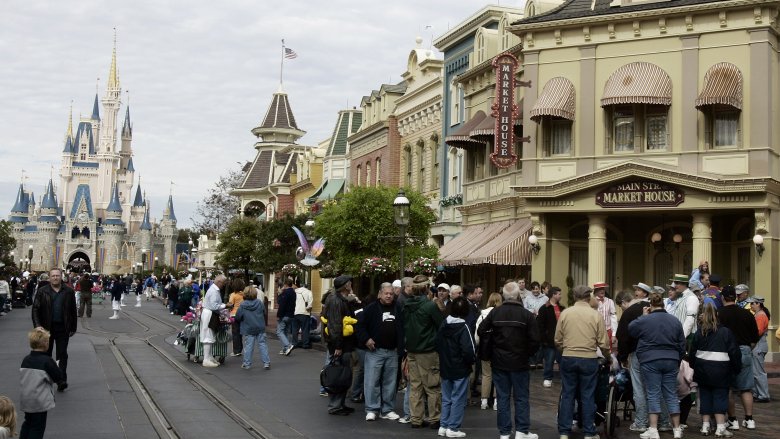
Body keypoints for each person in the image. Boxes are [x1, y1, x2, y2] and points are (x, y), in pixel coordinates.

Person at [478, 281, 540, 439]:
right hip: (520, 361)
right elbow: (535, 340)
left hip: (499, 361)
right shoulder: (527, 315)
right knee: (521, 397)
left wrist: (492, 347)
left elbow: (481, 330)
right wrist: (527, 353)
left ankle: (505, 432)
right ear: (518, 295)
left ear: (504, 295)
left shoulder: (495, 313)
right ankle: (521, 430)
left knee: (503, 397)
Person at [628, 292, 687, 439]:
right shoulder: (674, 321)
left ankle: (653, 430)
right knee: (671, 394)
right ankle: (677, 429)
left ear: (650, 305)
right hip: (671, 360)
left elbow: (631, 329)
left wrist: (643, 316)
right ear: (663, 304)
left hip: (650, 360)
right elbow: (682, 344)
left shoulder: (645, 320)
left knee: (653, 393)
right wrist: (677, 359)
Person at [554, 285, 609, 439]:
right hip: (589, 358)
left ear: (574, 296)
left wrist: (564, 350)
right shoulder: (595, 315)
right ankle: (588, 432)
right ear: (588, 297)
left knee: (567, 394)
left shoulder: (565, 313)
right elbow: (603, 343)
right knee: (588, 395)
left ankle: (564, 431)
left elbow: (557, 339)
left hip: (568, 356)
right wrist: (608, 357)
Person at [690, 303, 741, 437]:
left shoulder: (699, 332)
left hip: (702, 370)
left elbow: (692, 353)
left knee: (705, 397)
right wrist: (736, 368)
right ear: (717, 315)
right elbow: (734, 352)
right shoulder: (725, 332)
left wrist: (694, 366)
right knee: (720, 398)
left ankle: (705, 426)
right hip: (722, 371)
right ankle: (720, 427)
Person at [355, 282, 402, 422]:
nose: (388, 296)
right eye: (386, 293)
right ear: (380, 294)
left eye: (391, 294)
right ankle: (372, 409)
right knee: (372, 381)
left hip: (392, 351)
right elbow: (359, 326)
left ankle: (387, 409)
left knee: (390, 382)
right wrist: (366, 339)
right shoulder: (371, 309)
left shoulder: (398, 308)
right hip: (375, 351)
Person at [403, 274, 444, 429]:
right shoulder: (430, 306)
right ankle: (434, 418)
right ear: (427, 288)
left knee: (415, 386)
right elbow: (441, 325)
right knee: (432, 386)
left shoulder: (406, 304)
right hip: (427, 350)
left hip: (412, 349)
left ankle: (416, 418)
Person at [718, 285, 760, 431]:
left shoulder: (719, 314)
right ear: (735, 297)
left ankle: (733, 419)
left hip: (725, 352)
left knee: (728, 388)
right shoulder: (747, 314)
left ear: (722, 297)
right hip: (745, 350)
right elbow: (755, 338)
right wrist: (747, 349)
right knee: (746, 388)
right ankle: (749, 419)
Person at [615, 282, 654, 433]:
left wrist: (622, 357)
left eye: (621, 306)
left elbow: (623, 337)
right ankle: (663, 421)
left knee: (639, 388)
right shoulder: (654, 308)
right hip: (656, 353)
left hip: (638, 353)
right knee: (655, 388)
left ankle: (641, 422)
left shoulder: (629, 312)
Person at [436, 297, 476, 438]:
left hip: (445, 366)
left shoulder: (444, 324)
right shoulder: (464, 327)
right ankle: (453, 427)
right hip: (460, 367)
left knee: (446, 398)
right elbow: (469, 350)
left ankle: (444, 425)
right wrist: (470, 361)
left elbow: (438, 343)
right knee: (458, 398)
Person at [31, 268, 76, 392]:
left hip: (63, 328)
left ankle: (61, 380)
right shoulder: (42, 291)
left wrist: (73, 327)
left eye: (57, 275)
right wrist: (37, 325)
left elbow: (73, 310)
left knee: (62, 354)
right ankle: (46, 378)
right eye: (53, 276)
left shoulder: (69, 291)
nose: (55, 278)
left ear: (61, 277)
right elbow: (35, 309)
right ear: (49, 277)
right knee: (46, 355)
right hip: (46, 328)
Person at [19, 328, 65, 439]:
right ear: (45, 344)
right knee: (37, 427)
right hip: (39, 400)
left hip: (26, 398)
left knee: (28, 423)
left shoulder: (26, 359)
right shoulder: (47, 361)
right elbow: (58, 376)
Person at [323, 275, 358, 415]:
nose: (351, 285)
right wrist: (338, 345)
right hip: (340, 344)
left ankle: (340, 403)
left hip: (346, 343)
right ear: (345, 286)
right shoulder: (336, 301)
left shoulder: (342, 299)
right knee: (338, 373)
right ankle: (335, 405)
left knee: (344, 373)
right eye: (349, 283)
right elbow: (336, 325)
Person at [476, 292, 502, 409]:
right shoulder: (501, 314)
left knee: (486, 375)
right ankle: (497, 401)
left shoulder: (482, 314)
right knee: (498, 374)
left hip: (485, 348)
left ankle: (484, 401)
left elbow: (477, 334)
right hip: (498, 348)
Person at [235, 286, 270, 370]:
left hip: (248, 328)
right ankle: (266, 363)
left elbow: (238, 316)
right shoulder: (259, 302)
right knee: (262, 344)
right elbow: (264, 312)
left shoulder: (243, 305)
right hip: (260, 327)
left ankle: (247, 363)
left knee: (249, 346)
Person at [537, 286, 564, 388]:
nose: (560, 296)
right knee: (549, 361)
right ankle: (547, 378)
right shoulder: (544, 309)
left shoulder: (562, 308)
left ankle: (564, 378)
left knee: (562, 361)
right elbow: (540, 325)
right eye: (559, 294)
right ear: (553, 295)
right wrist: (544, 339)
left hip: (561, 340)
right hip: (549, 341)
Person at [747, 296, 771, 403]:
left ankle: (763, 395)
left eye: (752, 303)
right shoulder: (758, 315)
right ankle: (758, 393)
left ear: (758, 304)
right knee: (755, 371)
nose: (751, 305)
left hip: (759, 346)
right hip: (758, 345)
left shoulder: (761, 316)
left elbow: (758, 332)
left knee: (759, 372)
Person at [200, 274, 227, 368]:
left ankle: (209, 356)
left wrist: (222, 305)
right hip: (210, 313)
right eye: (223, 283)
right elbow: (214, 306)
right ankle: (206, 359)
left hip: (210, 313)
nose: (224, 285)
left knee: (210, 335)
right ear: (219, 282)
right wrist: (225, 306)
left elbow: (215, 304)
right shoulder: (214, 291)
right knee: (208, 335)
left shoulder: (214, 290)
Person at [669, 274, 700, 339]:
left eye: (677, 283)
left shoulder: (691, 297)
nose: (675, 285)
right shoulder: (679, 296)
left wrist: (682, 337)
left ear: (684, 284)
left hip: (688, 337)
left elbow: (690, 320)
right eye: (675, 283)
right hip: (678, 335)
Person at [593, 282, 617, 348]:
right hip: (595, 331)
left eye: (603, 288)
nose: (602, 290)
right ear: (596, 291)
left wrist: (613, 334)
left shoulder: (610, 301)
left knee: (608, 352)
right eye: (600, 289)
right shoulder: (592, 301)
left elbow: (613, 317)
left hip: (608, 331)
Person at [276, 278, 296, 356]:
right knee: (287, 332)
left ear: (286, 284)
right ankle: (285, 349)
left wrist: (279, 315)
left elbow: (282, 304)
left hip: (284, 315)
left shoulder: (285, 292)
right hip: (291, 314)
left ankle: (288, 345)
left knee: (279, 331)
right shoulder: (293, 292)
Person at [292, 282, 314, 349]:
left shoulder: (295, 291)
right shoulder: (309, 292)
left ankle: (294, 343)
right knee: (305, 329)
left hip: (295, 312)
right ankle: (305, 344)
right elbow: (310, 304)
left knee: (295, 329)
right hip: (305, 313)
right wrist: (307, 308)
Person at [227, 283, 245, 356]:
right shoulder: (243, 294)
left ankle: (236, 351)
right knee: (240, 333)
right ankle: (240, 349)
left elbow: (230, 304)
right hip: (242, 314)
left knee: (235, 333)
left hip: (234, 314)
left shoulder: (233, 295)